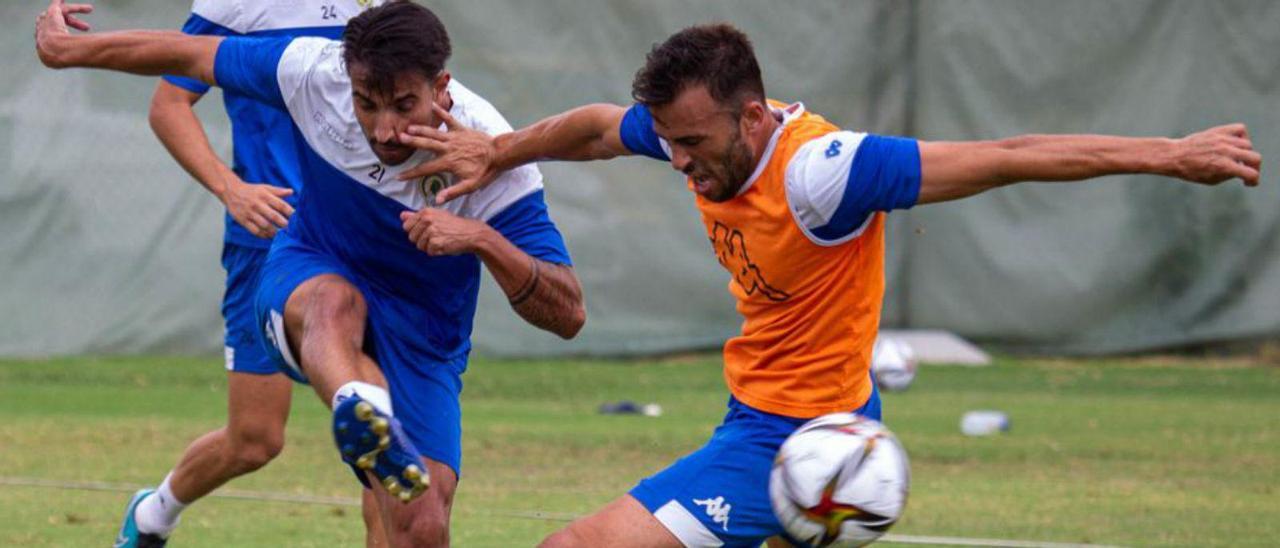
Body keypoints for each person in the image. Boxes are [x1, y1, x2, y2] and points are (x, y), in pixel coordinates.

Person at [394, 23, 1261, 547]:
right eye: (671, 142)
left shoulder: (826, 173)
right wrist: (499, 150)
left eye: (694, 141)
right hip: (789, 414)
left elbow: (1006, 158)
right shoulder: (688, 136)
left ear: (756, 116)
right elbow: (591, 129)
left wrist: (1170, 154)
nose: (681, 162)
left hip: (789, 440)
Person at [34, 1, 586, 546]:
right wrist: (68, 50)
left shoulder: (489, 155)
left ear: (441, 87)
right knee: (326, 316)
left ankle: (370, 422)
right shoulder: (313, 70)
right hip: (308, 265)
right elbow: (185, 56)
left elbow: (568, 315)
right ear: (348, 80)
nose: (386, 129)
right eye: (367, 104)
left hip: (423, 332)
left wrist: (483, 240)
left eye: (404, 105)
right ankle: (358, 405)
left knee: (420, 527)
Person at [113, 1, 390, 546]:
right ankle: (154, 514)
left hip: (360, 237)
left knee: (381, 439)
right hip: (267, 241)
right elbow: (169, 103)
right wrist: (230, 188)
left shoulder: (378, 7)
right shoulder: (236, 5)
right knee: (255, 440)